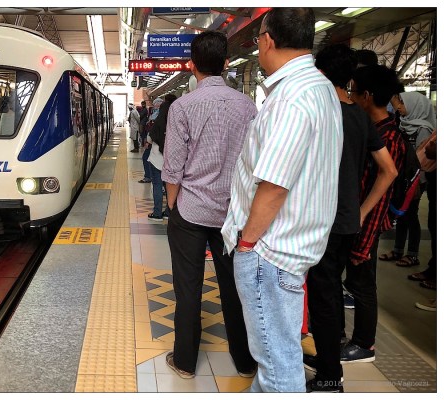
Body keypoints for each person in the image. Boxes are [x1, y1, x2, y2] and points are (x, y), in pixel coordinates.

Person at [220, 8, 343, 392]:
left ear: (268, 40)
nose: (257, 46)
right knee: (275, 357)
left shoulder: (292, 97)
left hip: (269, 252)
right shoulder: (320, 88)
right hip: (289, 247)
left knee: (278, 368)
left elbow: (274, 185)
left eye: (258, 38)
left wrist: (247, 243)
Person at [162, 30, 257, 380]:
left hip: (190, 210)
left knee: (188, 288)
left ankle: (185, 361)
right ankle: (245, 361)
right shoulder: (248, 106)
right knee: (235, 287)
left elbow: (173, 165)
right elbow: (253, 162)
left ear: (192, 65)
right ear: (227, 63)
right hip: (233, 213)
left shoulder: (182, 107)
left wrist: (174, 206)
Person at [306, 44, 398, 393]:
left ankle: (330, 376)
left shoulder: (321, 112)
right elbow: (388, 170)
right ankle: (327, 357)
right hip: (346, 221)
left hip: (321, 221)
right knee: (329, 293)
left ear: (319, 72)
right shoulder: (359, 115)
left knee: (323, 298)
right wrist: (361, 210)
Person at [341, 64, 407, 365]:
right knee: (356, 280)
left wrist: (363, 228)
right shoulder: (373, 128)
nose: (351, 97)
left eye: (353, 91)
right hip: (358, 220)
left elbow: (382, 191)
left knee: (363, 284)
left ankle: (364, 344)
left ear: (367, 96)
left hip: (367, 221)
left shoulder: (389, 137)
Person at [379, 91, 436, 267]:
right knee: (401, 214)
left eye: (402, 103)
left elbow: (423, 160)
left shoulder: (423, 129)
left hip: (415, 180)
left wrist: (417, 182)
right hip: (403, 177)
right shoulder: (403, 123)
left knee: (411, 215)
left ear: (415, 106)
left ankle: (412, 254)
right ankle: (398, 250)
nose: (399, 107)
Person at [409, 130, 437, 291]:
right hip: (434, 180)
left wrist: (432, 147)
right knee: (434, 227)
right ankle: (433, 269)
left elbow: (431, 149)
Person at [146, 95, 174, 221]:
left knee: (157, 185)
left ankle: (157, 213)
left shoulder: (158, 122)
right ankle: (168, 212)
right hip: (170, 160)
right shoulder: (176, 122)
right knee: (169, 186)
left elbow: (149, 139)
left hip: (156, 159)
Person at [139, 100, 152, 183]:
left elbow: (153, 131)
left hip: (152, 143)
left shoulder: (156, 117)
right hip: (151, 142)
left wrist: (148, 142)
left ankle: (148, 176)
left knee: (146, 158)